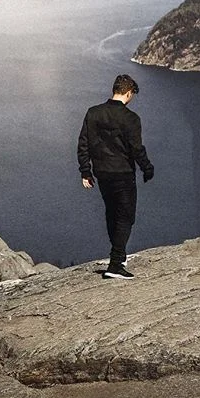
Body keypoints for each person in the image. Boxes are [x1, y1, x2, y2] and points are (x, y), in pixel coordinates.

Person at [77, 73, 154, 279]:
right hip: (123, 174)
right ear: (128, 93)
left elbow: (83, 144)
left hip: (102, 173)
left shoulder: (93, 113)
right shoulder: (131, 119)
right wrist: (147, 168)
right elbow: (136, 149)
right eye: (132, 96)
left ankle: (118, 255)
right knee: (126, 216)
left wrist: (86, 171)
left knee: (112, 213)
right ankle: (116, 263)